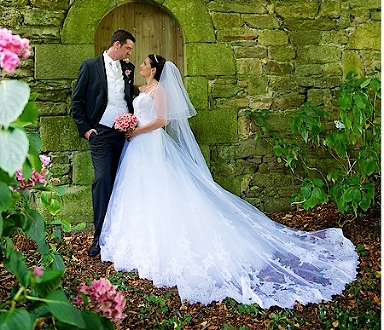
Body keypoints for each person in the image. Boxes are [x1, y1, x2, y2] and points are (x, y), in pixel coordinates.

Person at [99, 54, 358, 307]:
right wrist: (128, 125)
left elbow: (162, 120)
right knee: (140, 190)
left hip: (150, 143)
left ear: (154, 70)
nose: (141, 65)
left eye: (145, 63)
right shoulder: (141, 88)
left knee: (160, 188)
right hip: (136, 147)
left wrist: (136, 129)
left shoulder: (160, 91)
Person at [71, 29, 136, 257]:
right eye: (127, 48)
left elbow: (127, 97)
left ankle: (122, 237)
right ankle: (99, 237)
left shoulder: (129, 68)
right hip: (100, 133)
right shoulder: (90, 66)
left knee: (123, 183)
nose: (130, 52)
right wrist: (86, 130)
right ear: (116, 45)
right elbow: (76, 102)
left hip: (124, 135)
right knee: (101, 180)